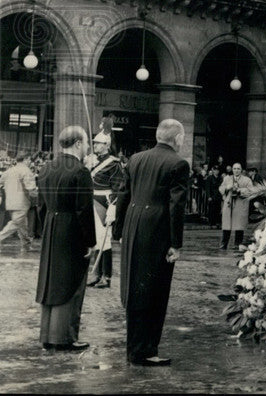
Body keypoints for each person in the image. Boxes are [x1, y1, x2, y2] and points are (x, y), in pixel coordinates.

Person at [112, 118, 189, 367]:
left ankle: (134, 348)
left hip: (134, 225)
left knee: (135, 287)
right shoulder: (178, 163)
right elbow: (176, 206)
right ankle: (146, 350)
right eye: (183, 137)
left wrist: (119, 230)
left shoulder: (136, 159)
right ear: (176, 138)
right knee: (155, 291)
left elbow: (123, 194)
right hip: (157, 229)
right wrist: (176, 243)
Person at [36, 126, 95, 351]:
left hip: (51, 226)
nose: (88, 146)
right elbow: (84, 210)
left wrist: (49, 226)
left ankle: (47, 335)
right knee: (72, 283)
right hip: (71, 229)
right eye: (87, 142)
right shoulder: (81, 172)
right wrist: (90, 241)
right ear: (78, 144)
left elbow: (40, 205)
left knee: (51, 281)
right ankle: (65, 337)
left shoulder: (46, 167)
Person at [85, 131, 125, 288]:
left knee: (104, 240)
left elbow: (118, 187)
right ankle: (97, 274)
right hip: (93, 199)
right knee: (97, 239)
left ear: (107, 145)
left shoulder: (113, 164)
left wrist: (113, 207)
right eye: (94, 143)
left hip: (104, 202)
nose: (95, 145)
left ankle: (106, 277)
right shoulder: (93, 161)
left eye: (98, 143)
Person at [0, 150, 39, 254]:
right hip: (22, 203)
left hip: (10, 203)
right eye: (30, 160)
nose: (30, 162)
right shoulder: (26, 171)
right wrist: (40, 194)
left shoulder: (9, 171)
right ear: (26, 159)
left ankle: (26, 246)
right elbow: (31, 190)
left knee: (22, 224)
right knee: (16, 223)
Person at [219, 163, 255, 250]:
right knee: (227, 224)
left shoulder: (247, 180)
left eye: (238, 169)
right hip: (229, 203)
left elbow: (252, 190)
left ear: (241, 170)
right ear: (232, 169)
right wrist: (227, 187)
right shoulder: (227, 178)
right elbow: (221, 188)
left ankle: (237, 244)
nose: (236, 170)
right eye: (234, 169)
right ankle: (224, 244)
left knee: (239, 225)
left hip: (240, 203)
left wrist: (240, 190)